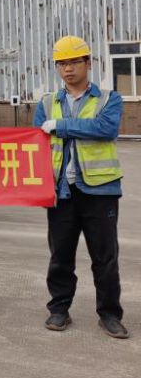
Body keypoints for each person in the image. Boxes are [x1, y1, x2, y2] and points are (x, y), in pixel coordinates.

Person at [34, 36, 128, 339]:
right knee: (60, 256)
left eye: (74, 61)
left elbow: (105, 129)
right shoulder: (47, 103)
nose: (68, 68)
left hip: (100, 190)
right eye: (61, 63)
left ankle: (109, 314)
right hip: (61, 191)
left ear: (88, 63)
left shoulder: (108, 98)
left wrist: (60, 126)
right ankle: (59, 309)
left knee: (105, 257)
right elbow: (36, 144)